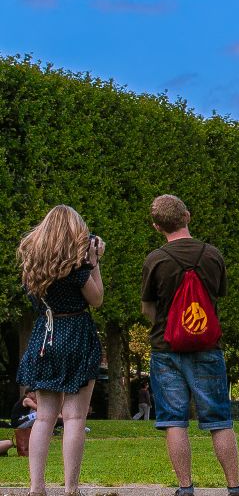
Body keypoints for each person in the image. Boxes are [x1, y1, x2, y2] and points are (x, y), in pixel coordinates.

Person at [142, 196, 239, 496]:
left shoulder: (155, 260)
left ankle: (185, 488)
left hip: (166, 349)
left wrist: (167, 324)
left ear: (157, 226)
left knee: (174, 421)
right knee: (220, 421)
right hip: (207, 347)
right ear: (187, 215)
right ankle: (234, 488)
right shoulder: (212, 255)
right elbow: (217, 296)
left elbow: (148, 308)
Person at [15, 206, 105, 496]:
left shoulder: (33, 265)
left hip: (46, 336)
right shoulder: (77, 267)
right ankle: (71, 488)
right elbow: (96, 299)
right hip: (76, 335)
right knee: (75, 417)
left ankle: (36, 487)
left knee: (44, 417)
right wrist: (94, 263)